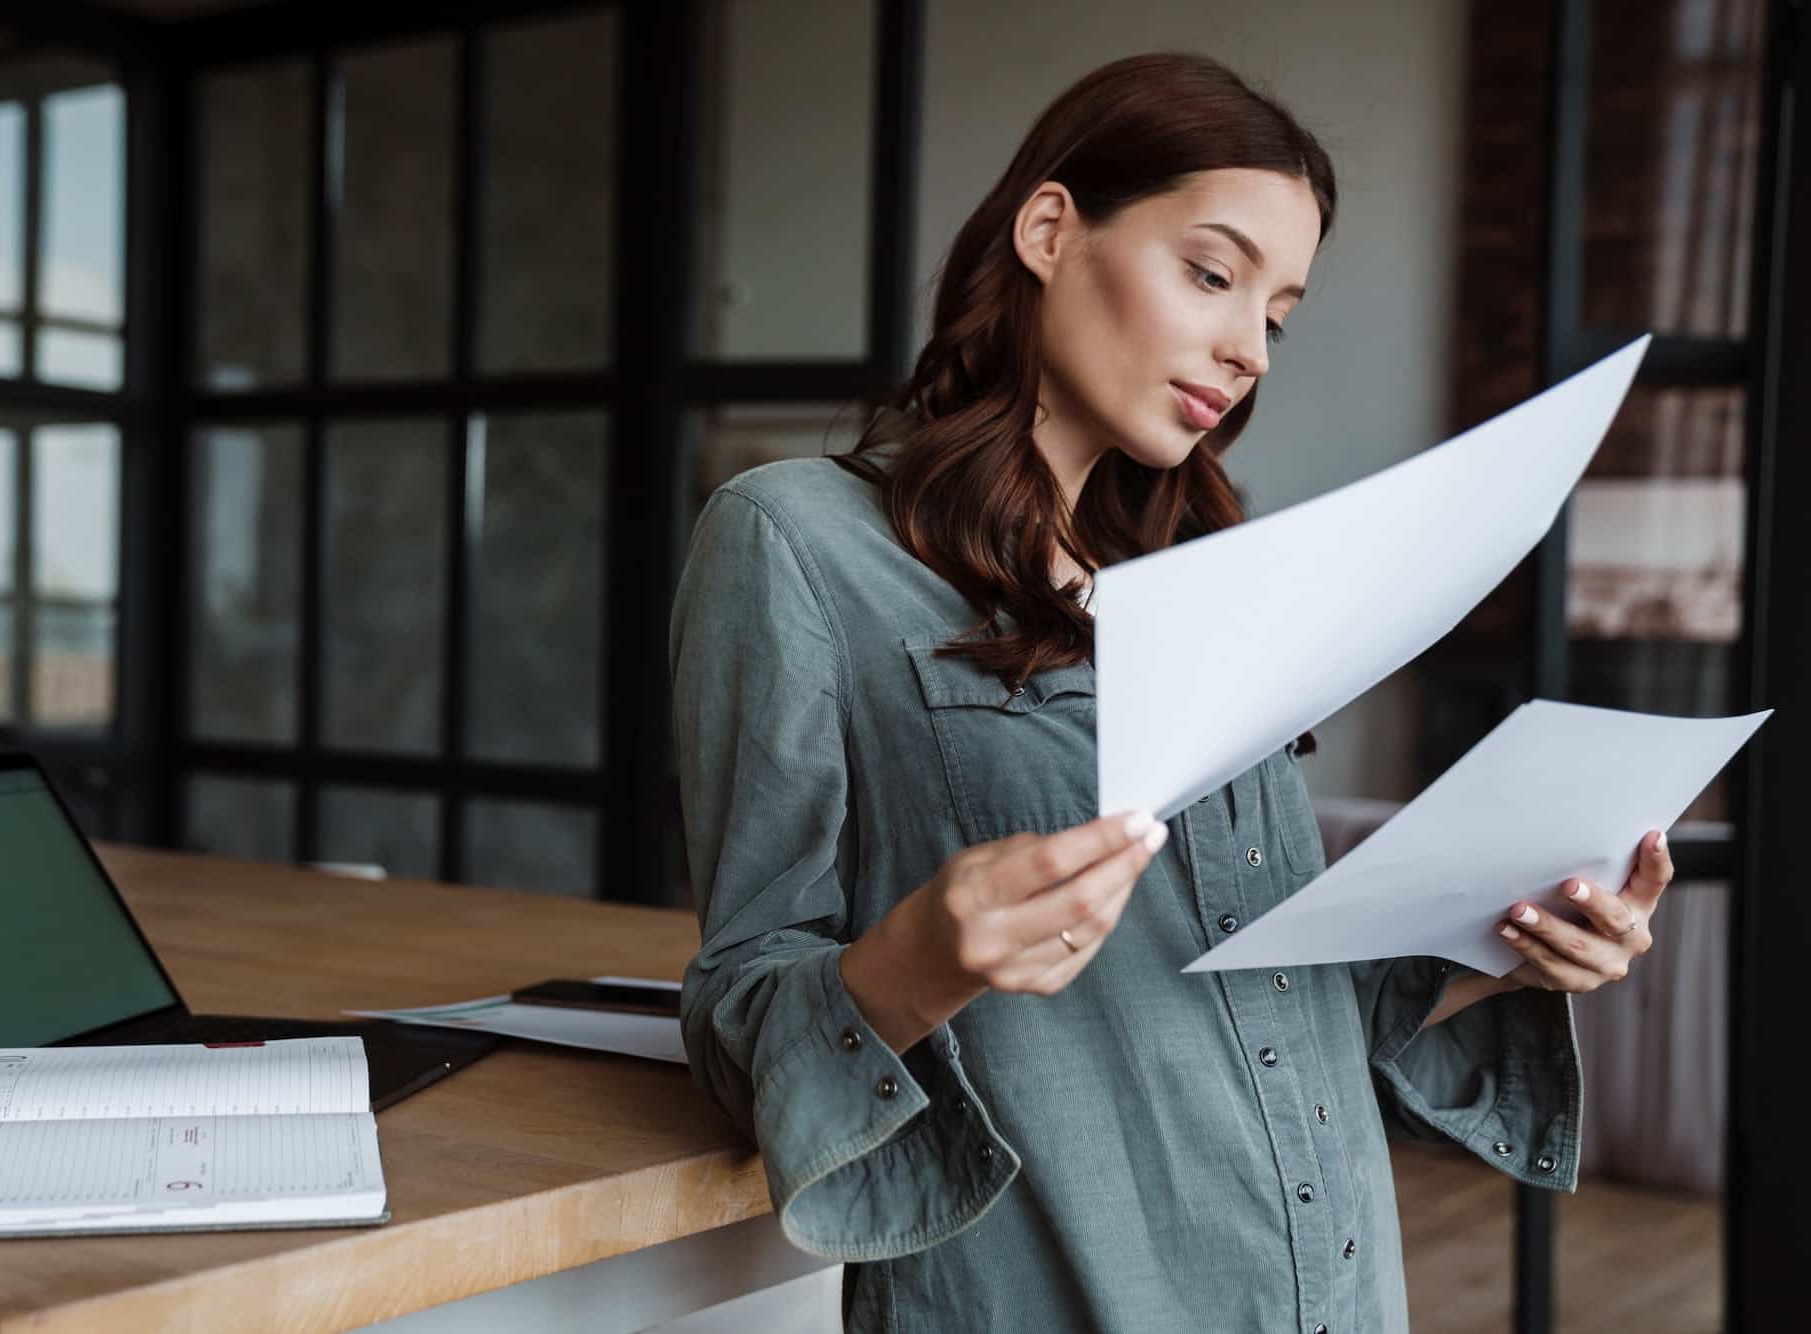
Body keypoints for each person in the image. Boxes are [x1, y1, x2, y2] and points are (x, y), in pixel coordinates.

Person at [669, 52, 1670, 1333]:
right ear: (1047, 229)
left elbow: (1280, 1003)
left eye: (1277, 314)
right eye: (1210, 273)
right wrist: (915, 962)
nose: (1246, 347)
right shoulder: (798, 543)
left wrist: (1517, 941)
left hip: (1335, 1283)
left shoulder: (1204, 581)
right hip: (1060, 1293)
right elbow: (738, 1004)